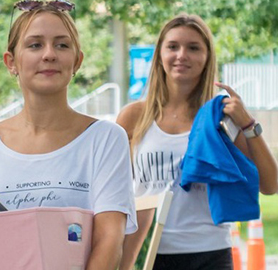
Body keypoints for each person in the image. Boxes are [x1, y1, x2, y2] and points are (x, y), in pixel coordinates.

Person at [0, 0, 136, 269]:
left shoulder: (106, 139)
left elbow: (109, 239)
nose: (49, 54)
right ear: (11, 62)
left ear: (77, 61)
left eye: (62, 45)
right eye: (35, 45)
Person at [117, 14, 278, 270]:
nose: (182, 55)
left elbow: (271, 185)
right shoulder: (134, 116)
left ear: (206, 57)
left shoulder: (221, 116)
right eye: (173, 46)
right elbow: (114, 191)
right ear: (159, 53)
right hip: (148, 252)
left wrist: (247, 124)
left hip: (210, 252)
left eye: (193, 48)